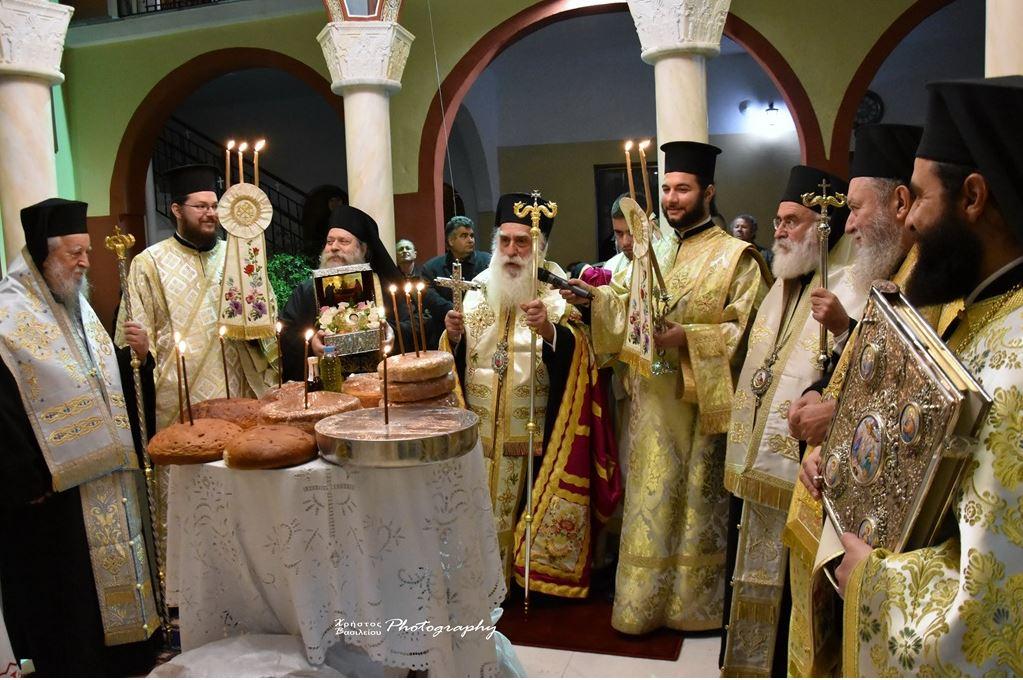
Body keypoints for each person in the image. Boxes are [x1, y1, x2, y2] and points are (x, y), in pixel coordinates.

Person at [803, 75, 1023, 677]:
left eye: (920, 198)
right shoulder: (982, 316)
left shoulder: (1015, 356)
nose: (912, 224)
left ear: (973, 197)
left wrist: (873, 579)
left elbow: (995, 596)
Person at [564, 141, 770, 634]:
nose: (673, 198)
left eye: (684, 189)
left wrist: (687, 339)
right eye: (667, 189)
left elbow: (751, 333)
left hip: (698, 409)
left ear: (708, 191)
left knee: (693, 504)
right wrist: (593, 300)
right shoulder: (654, 247)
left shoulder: (736, 257)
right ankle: (642, 604)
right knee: (648, 498)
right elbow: (625, 304)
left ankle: (689, 609)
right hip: (649, 405)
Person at [780, 124, 941, 677]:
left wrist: (839, 423)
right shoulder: (891, 271)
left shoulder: (927, 281)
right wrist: (819, 395)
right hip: (835, 491)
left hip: (874, 537)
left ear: (899, 204)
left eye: (853, 208)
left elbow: (916, 403)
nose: (845, 224)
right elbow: (865, 366)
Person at [0, 198, 161, 676]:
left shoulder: (76, 308)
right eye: (75, 253)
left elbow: (109, 388)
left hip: (104, 483)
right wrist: (29, 481)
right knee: (66, 607)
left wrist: (142, 362)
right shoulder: (9, 321)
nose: (86, 263)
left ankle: (127, 661)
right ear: (42, 254)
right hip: (49, 498)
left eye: (87, 251)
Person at [720, 165, 866, 677]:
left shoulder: (850, 284)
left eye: (792, 221)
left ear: (822, 226)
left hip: (805, 474)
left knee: (790, 598)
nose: (779, 230)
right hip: (758, 467)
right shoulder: (781, 282)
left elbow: (862, 372)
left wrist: (844, 327)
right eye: (777, 221)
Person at [442, 193, 620, 596]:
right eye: (505, 240)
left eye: (522, 242)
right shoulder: (477, 288)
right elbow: (460, 356)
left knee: (523, 506)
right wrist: (453, 338)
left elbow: (581, 360)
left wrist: (549, 331)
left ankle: (524, 581)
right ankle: (477, 584)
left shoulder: (556, 291)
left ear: (539, 246)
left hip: (535, 433)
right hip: (479, 433)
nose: (511, 250)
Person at [116, 164, 273, 430]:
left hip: (236, 387)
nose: (210, 214)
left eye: (214, 206)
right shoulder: (149, 263)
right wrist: (141, 352)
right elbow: (136, 338)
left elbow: (267, 320)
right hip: (178, 393)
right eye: (200, 207)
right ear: (177, 210)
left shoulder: (238, 256)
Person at [279, 204, 406, 381]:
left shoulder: (385, 287)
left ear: (363, 249)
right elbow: (286, 332)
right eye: (329, 241)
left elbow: (415, 327)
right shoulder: (307, 291)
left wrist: (392, 333)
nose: (334, 247)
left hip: (379, 389)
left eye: (344, 241)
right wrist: (310, 344)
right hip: (325, 392)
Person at [421, 215, 492, 348]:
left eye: (472, 235)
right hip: (444, 331)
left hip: (481, 332)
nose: (470, 240)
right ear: (451, 241)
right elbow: (427, 294)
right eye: (464, 236)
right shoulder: (431, 268)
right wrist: (454, 312)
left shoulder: (487, 263)